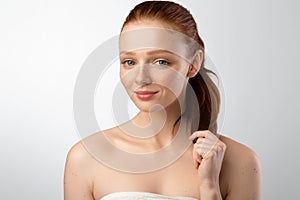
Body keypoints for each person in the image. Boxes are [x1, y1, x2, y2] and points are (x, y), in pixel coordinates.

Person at [64, 1, 261, 199]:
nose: (141, 78)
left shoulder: (239, 162)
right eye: (129, 62)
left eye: (161, 62)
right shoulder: (85, 158)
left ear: (193, 64)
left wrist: (209, 186)